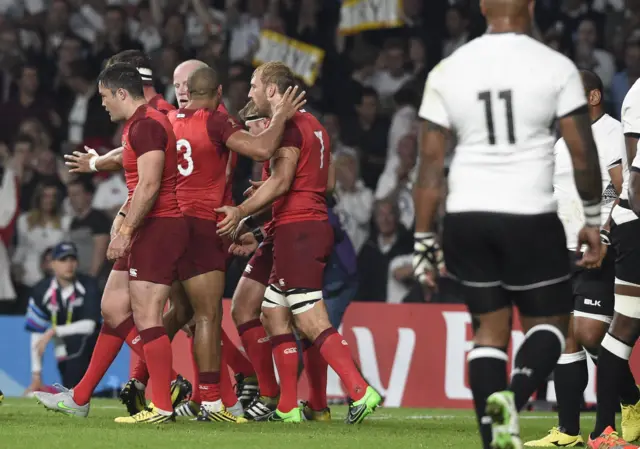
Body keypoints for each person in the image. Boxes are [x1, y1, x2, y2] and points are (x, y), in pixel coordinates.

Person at [412, 1, 603, 448]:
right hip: (530, 213)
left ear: (482, 7)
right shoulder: (556, 67)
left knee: (489, 332)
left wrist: (423, 237)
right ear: (531, 6)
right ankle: (512, 401)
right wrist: (591, 219)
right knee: (553, 325)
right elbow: (582, 154)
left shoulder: (448, 70)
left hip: (467, 216)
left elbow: (429, 165)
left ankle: (494, 436)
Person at [123, 65, 304, 423]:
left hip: (169, 224)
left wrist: (98, 162)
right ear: (219, 93)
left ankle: (147, 382)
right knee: (207, 316)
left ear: (187, 91)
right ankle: (212, 401)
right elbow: (263, 148)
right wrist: (281, 114)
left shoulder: (167, 120)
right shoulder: (217, 122)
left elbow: (129, 155)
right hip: (206, 225)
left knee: (174, 313)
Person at [216, 62, 382, 424]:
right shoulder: (315, 125)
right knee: (273, 312)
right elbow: (329, 183)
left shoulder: (287, 127)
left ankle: (359, 390)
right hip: (303, 226)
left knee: (309, 319)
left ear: (272, 91)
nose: (249, 93)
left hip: (298, 231)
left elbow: (282, 180)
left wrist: (242, 210)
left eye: (253, 86)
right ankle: (290, 407)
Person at [35, 63, 187, 424]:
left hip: (159, 227)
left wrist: (126, 231)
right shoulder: (139, 125)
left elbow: (149, 186)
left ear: (122, 93)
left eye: (104, 96)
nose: (101, 104)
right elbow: (132, 166)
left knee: (147, 316)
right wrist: (99, 164)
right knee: (113, 308)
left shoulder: (147, 125)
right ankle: (82, 396)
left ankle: (164, 403)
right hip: (150, 226)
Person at [527, 70, 640, 447]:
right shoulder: (564, 142)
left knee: (592, 334)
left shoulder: (611, 134)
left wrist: (605, 235)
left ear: (592, 97)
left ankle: (630, 399)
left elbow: (625, 191)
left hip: (599, 248)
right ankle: (569, 430)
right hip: (561, 251)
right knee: (567, 338)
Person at [585, 64, 640, 449]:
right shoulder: (639, 95)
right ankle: (602, 430)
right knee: (623, 325)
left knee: (623, 327)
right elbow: (633, 186)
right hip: (635, 224)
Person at [24, 242, 101, 392]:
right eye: (63, 260)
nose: (69, 265)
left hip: (89, 343)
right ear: (52, 264)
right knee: (69, 387)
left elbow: (90, 325)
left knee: (74, 383)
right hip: (62, 345)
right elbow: (36, 332)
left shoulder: (89, 285)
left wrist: (53, 331)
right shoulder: (41, 290)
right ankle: (47, 389)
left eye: (72, 260)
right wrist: (36, 375)